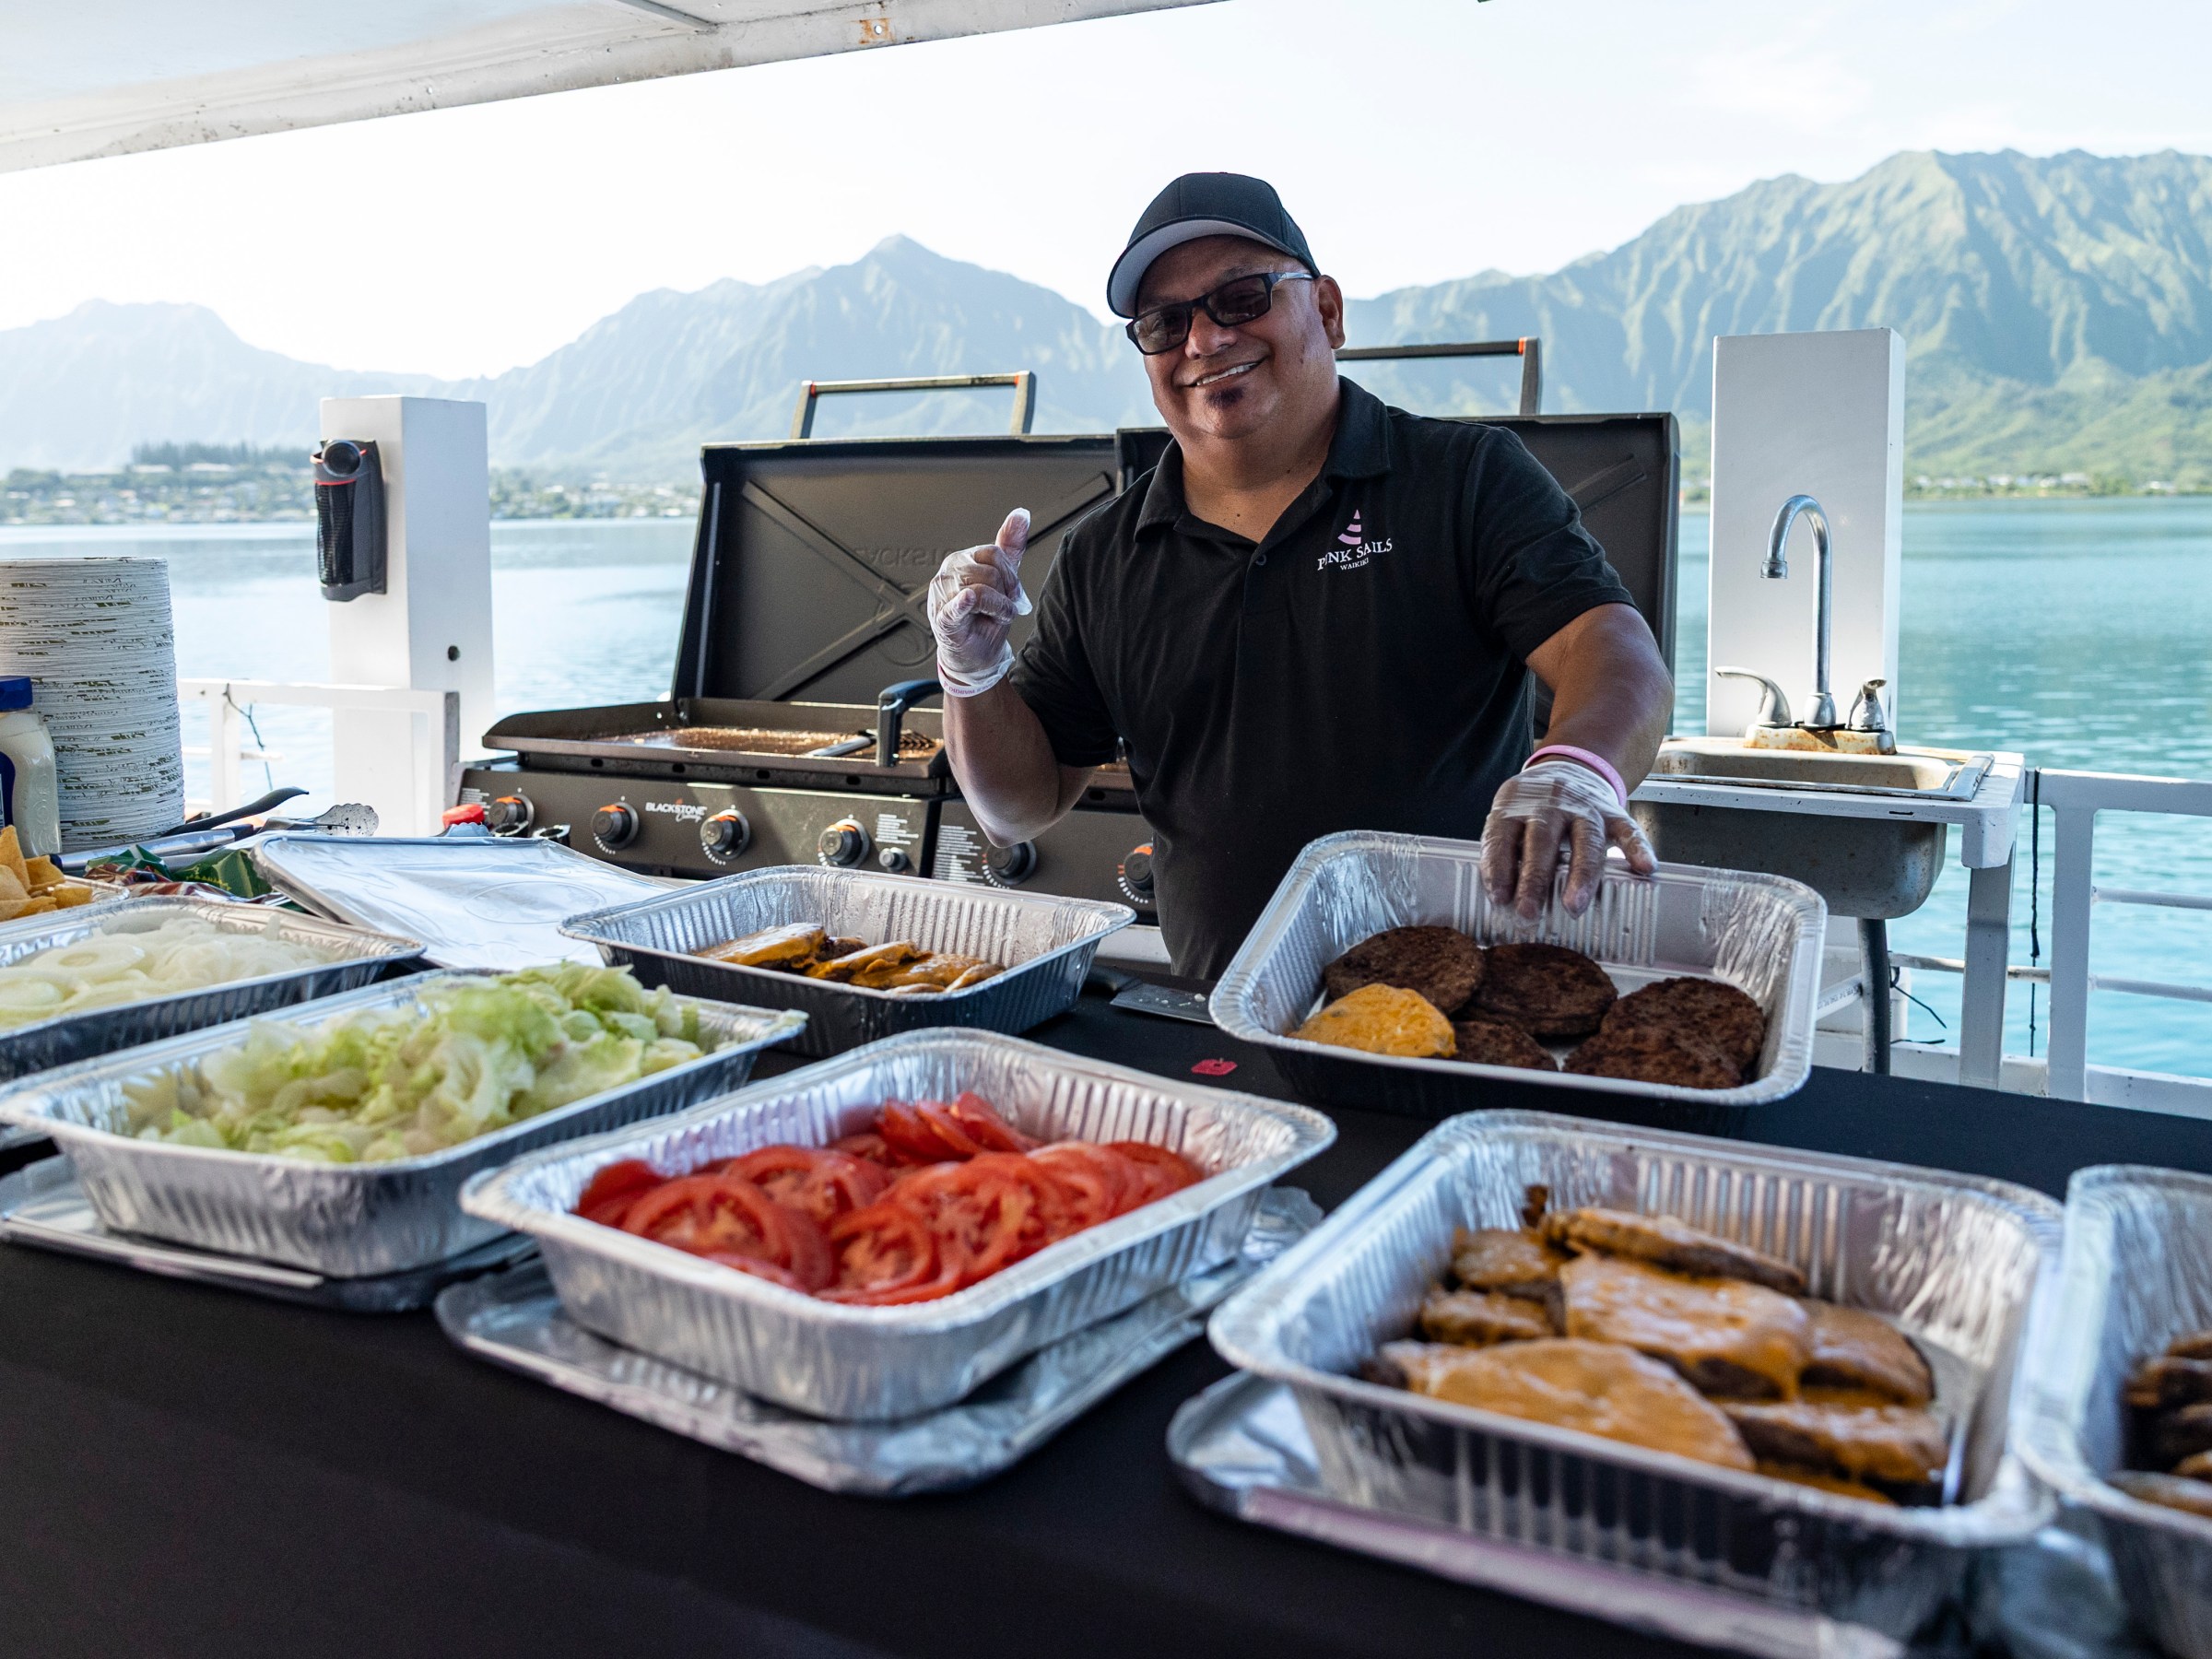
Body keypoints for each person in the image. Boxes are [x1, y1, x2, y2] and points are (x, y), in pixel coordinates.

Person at [928, 172, 1674, 977]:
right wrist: (971, 672)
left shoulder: (1463, 479)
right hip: (1224, 1024)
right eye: (1164, 322)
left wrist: (1576, 771)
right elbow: (1019, 808)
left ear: (1326, 310)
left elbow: (1610, 647)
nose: (1204, 340)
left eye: (1241, 298)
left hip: (1466, 1011)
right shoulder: (1105, 556)